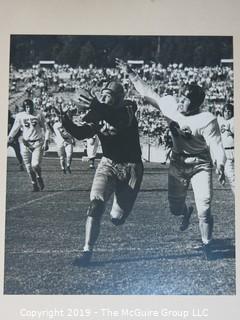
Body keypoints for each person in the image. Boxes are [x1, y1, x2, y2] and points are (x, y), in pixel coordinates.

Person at [116, 58, 226, 260]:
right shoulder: (170, 106)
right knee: (175, 209)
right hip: (177, 163)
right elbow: (148, 93)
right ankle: (186, 212)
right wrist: (131, 73)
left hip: (200, 164)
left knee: (205, 204)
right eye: (181, 97)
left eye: (186, 100)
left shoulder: (207, 119)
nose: (181, 101)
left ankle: (207, 244)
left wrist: (220, 163)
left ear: (196, 105)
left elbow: (216, 145)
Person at [61, 81, 143, 266]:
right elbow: (82, 134)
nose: (104, 97)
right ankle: (87, 251)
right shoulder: (97, 111)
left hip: (131, 168)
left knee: (117, 218)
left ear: (119, 98)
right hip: (108, 163)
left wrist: (95, 105)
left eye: (109, 94)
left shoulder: (128, 107)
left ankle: (119, 213)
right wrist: (65, 121)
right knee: (95, 205)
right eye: (103, 93)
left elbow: (118, 120)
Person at [8, 99, 50, 192]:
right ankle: (34, 184)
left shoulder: (39, 114)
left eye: (30, 106)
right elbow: (15, 128)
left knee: (35, 165)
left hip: (37, 142)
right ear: (24, 108)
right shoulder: (20, 116)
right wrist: (10, 136)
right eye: (26, 107)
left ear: (33, 106)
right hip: (25, 143)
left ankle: (39, 177)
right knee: (28, 167)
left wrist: (46, 140)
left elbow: (46, 128)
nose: (29, 109)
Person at [217, 103, 234, 194]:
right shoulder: (220, 121)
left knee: (232, 176)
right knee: (230, 175)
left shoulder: (234, 120)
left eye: (229, 111)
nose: (227, 113)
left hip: (234, 150)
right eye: (225, 111)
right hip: (226, 151)